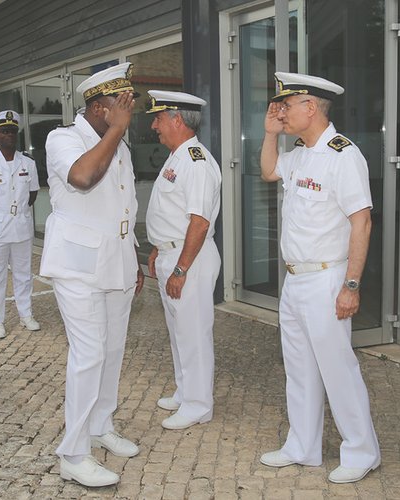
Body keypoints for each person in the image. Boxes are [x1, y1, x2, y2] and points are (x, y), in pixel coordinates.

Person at [259, 72, 380, 483]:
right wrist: (271, 134)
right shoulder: (301, 152)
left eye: (286, 106)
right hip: (295, 281)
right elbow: (269, 171)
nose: (280, 111)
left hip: (328, 280)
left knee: (337, 369)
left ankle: (362, 451)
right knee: (299, 368)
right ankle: (303, 446)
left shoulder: (343, 155)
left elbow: (361, 223)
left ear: (310, 107)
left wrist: (351, 285)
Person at [40, 62, 144, 487]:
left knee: (113, 350)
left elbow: (125, 207)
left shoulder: (117, 144)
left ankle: (101, 425)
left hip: (117, 259)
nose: (129, 113)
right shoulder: (63, 137)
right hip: (78, 265)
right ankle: (74, 452)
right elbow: (83, 178)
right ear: (102, 106)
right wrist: (117, 131)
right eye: (123, 105)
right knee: (89, 354)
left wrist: (133, 258)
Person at [144, 90, 221, 430]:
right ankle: (185, 390)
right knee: (178, 331)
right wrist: (159, 248)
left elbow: (199, 221)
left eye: (158, 118)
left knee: (193, 332)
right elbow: (172, 212)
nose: (153, 125)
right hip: (172, 253)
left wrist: (180, 268)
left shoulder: (196, 161)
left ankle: (198, 404)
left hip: (190, 259)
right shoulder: (177, 156)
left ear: (177, 120)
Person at [0, 110, 41, 339]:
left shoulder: (28, 162)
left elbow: (33, 194)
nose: (9, 135)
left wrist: (17, 212)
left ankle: (26, 314)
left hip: (21, 226)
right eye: (4, 131)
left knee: (24, 274)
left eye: (12, 131)